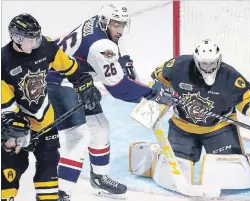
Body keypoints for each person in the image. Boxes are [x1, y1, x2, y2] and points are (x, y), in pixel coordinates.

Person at [129, 39, 250, 193]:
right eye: (204, 63)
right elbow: (157, 80)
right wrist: (158, 96)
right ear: (196, 60)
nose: (208, 67)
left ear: (219, 59)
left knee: (228, 172)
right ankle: (152, 158)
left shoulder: (231, 77)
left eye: (212, 63)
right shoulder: (178, 66)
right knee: (177, 170)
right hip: (182, 127)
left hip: (219, 128)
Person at [45, 3, 173, 200]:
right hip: (58, 82)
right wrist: (151, 93)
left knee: (100, 128)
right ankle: (60, 194)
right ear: (105, 22)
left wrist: (126, 62)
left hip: (78, 81)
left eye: (122, 25)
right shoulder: (101, 46)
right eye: (116, 25)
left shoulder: (97, 24)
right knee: (78, 137)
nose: (119, 30)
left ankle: (98, 179)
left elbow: (117, 43)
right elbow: (119, 89)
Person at [1, 13, 101, 201]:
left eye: (36, 38)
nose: (35, 43)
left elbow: (71, 68)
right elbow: (7, 109)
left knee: (48, 163)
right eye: (30, 40)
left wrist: (85, 84)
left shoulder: (45, 46)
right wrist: (19, 134)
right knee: (13, 166)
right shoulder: (3, 62)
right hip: (14, 127)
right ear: (16, 38)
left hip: (45, 120)